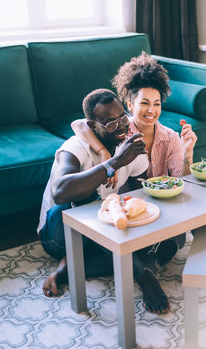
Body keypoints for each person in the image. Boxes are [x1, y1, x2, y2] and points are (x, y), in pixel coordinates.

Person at [71, 52, 197, 314]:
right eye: (144, 103)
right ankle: (145, 273)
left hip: (157, 214)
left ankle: (127, 263)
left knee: (179, 237)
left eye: (157, 103)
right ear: (129, 103)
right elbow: (79, 124)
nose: (151, 110)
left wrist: (187, 151)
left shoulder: (170, 137)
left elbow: (181, 182)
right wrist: (105, 153)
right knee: (114, 235)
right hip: (125, 217)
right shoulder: (118, 129)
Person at [38, 88, 148, 298]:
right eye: (111, 123)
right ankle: (143, 276)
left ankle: (66, 271)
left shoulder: (130, 146)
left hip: (96, 233)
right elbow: (60, 193)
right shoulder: (75, 148)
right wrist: (114, 162)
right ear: (92, 126)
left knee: (159, 245)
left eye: (123, 118)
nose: (121, 127)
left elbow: (140, 196)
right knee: (90, 202)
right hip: (59, 235)